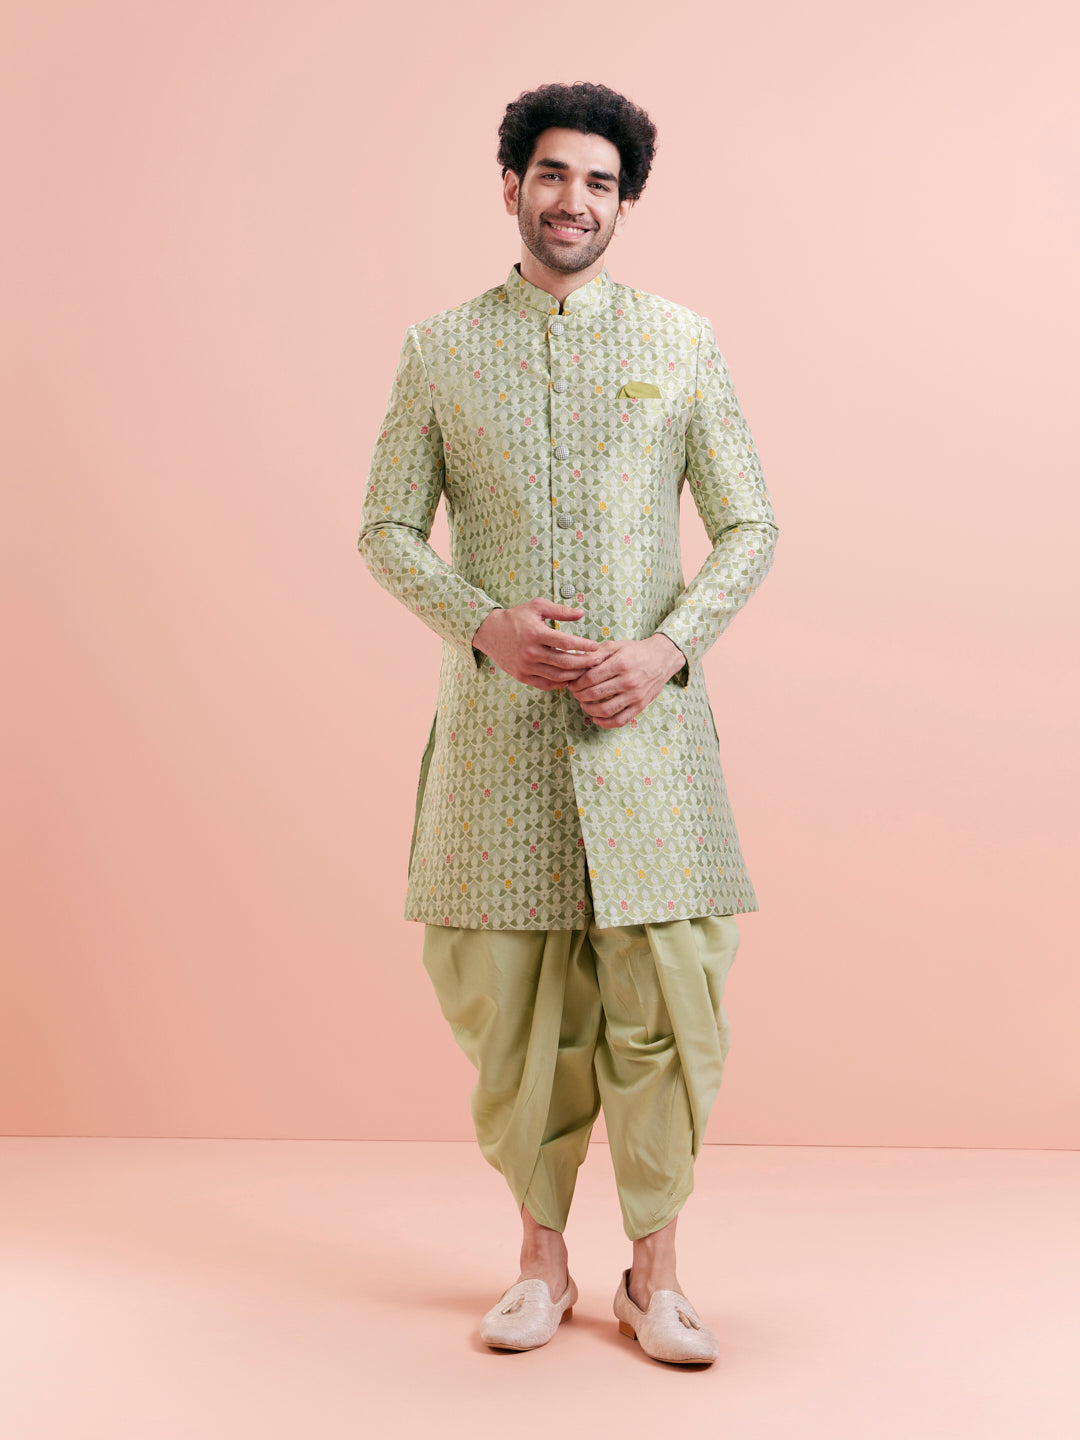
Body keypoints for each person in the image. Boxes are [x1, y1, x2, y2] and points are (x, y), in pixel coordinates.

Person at [357, 81, 779, 1364]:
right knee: (517, 1009)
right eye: (552, 174)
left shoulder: (681, 342)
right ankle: (540, 1265)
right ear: (511, 187)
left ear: (624, 203)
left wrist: (668, 649)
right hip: (504, 742)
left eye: (600, 182)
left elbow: (750, 524)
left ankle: (658, 1278)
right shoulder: (440, 349)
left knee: (668, 1002)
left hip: (648, 737)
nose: (574, 200)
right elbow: (384, 528)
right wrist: (478, 622)